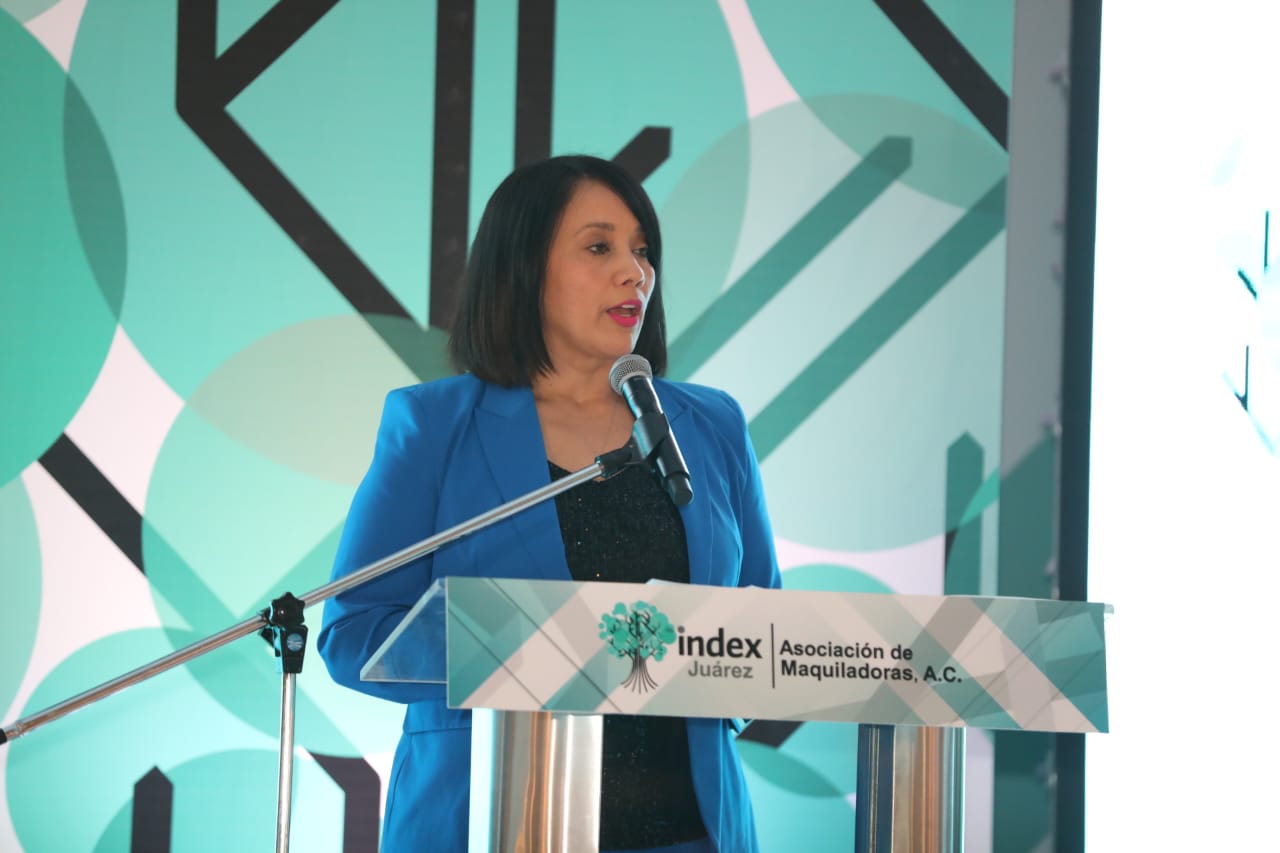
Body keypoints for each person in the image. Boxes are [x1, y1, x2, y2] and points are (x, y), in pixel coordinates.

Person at [318, 155, 781, 853]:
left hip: (691, 831)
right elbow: (356, 632)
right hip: (485, 824)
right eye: (599, 248)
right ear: (524, 268)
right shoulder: (436, 426)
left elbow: (765, 636)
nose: (635, 273)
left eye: (642, 251)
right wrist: (549, 648)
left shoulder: (712, 425)